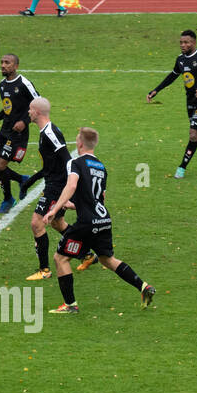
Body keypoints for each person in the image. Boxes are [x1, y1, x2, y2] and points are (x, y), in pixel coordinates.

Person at [43, 126, 156, 314]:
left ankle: (70, 305)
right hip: (103, 219)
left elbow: (71, 185)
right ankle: (143, 286)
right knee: (107, 260)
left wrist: (55, 209)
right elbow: (98, 198)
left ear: (79, 143)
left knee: (60, 258)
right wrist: (72, 206)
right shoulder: (101, 167)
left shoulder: (75, 163)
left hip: (86, 222)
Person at [147, 29, 197, 178]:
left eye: (186, 42)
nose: (183, 45)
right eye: (181, 42)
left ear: (194, 43)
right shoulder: (180, 59)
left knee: (193, 134)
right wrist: (156, 90)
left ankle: (181, 169)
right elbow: (173, 76)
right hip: (190, 101)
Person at [0, 53, 39, 212]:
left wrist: (25, 122)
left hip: (17, 134)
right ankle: (21, 181)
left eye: (7, 63)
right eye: (2, 62)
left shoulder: (24, 83)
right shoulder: (2, 85)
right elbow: (7, 110)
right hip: (4, 131)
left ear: (16, 66)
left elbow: (39, 103)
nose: (3, 65)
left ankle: (8, 199)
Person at [17, 97, 70, 281]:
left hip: (57, 186)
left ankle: (44, 270)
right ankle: (86, 253)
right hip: (53, 182)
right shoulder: (44, 132)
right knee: (57, 223)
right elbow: (49, 167)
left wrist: (72, 185)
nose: (28, 112)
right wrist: (29, 182)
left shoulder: (50, 133)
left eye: (30, 109)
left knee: (36, 223)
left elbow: (67, 159)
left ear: (37, 112)